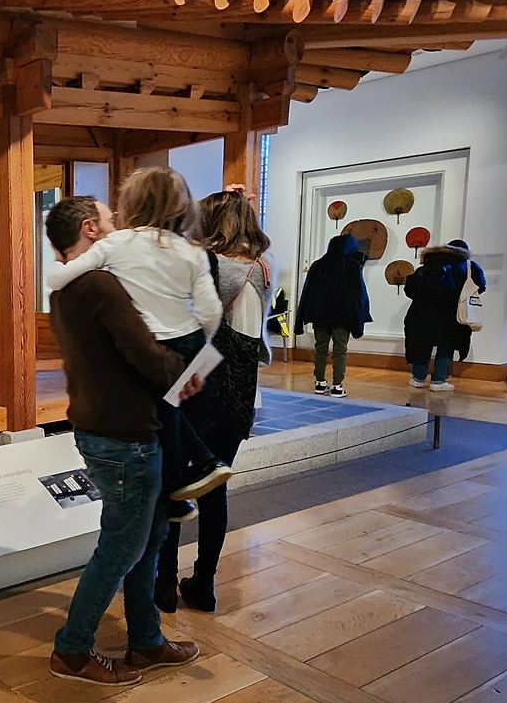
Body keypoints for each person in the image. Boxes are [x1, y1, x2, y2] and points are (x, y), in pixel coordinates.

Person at [45, 195, 201, 686]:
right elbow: (145, 354)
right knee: (121, 547)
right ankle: (72, 651)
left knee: (146, 539)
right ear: (90, 229)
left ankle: (146, 641)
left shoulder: (65, 287)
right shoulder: (100, 284)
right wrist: (187, 370)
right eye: (111, 220)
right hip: (123, 433)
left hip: (104, 426)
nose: (119, 227)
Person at [46, 166, 231, 521]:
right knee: (170, 410)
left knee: (159, 413)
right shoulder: (193, 251)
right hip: (189, 339)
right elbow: (211, 309)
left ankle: (191, 475)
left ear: (131, 202)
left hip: (154, 342)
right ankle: (191, 477)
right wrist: (201, 345)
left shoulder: (117, 245)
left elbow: (61, 277)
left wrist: (56, 269)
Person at [156, 190, 277, 613]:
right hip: (244, 389)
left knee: (174, 484)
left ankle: (164, 584)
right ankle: (204, 583)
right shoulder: (265, 265)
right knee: (214, 487)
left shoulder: (208, 263)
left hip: (201, 383)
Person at [295, 233, 372, 398]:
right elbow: (358, 295)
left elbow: (308, 292)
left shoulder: (318, 265)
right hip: (342, 317)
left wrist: (302, 318)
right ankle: (337, 385)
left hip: (320, 315)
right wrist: (358, 321)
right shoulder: (351, 265)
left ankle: (319, 382)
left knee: (320, 348)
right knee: (340, 350)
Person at [403, 238, 486, 392]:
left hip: (421, 313)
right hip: (452, 314)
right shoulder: (469, 267)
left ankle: (418, 378)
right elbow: (480, 286)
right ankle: (438, 380)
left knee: (422, 344)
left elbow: (410, 290)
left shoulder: (428, 264)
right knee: (447, 346)